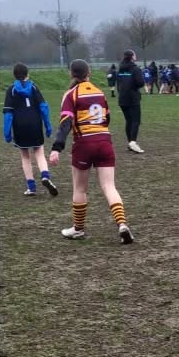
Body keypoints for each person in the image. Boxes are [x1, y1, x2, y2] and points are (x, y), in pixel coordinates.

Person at [49, 60, 134, 243]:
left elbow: (66, 122)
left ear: (71, 74)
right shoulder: (99, 92)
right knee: (109, 186)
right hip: (105, 141)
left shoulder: (71, 94)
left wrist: (57, 147)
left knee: (80, 188)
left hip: (84, 144)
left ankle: (78, 229)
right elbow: (107, 117)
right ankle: (122, 224)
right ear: (89, 73)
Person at [3, 63, 57, 197]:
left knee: (25, 156)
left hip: (19, 126)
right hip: (35, 124)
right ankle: (45, 176)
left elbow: (8, 113)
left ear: (14, 75)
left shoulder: (11, 90)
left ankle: (31, 187)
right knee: (39, 153)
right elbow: (43, 107)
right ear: (28, 74)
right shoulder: (33, 87)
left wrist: (7, 132)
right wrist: (48, 125)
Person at [113, 50, 146, 154]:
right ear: (132, 57)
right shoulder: (135, 69)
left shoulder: (120, 69)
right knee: (136, 120)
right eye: (135, 54)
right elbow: (140, 83)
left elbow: (118, 82)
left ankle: (130, 143)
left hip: (122, 98)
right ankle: (133, 142)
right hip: (133, 98)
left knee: (128, 121)